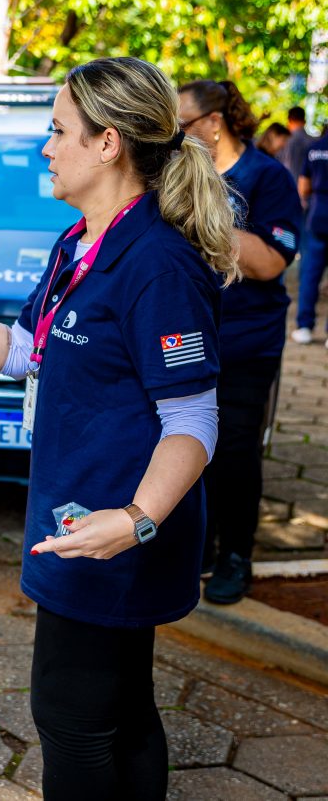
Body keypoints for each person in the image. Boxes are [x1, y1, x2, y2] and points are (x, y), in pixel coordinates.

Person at [0, 57, 236, 801]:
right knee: (120, 711)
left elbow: (193, 418)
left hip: (111, 534)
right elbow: (22, 350)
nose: (46, 148)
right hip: (82, 521)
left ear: (108, 143)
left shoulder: (157, 263)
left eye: (59, 132)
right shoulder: (80, 243)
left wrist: (135, 519)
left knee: (72, 719)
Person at [178, 79, 302, 604]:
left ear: (214, 122)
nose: (175, 135)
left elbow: (272, 262)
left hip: (246, 343)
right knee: (189, 447)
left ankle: (236, 554)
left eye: (183, 124)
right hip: (186, 339)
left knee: (234, 449)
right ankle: (201, 546)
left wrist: (205, 217)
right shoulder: (180, 172)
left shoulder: (266, 177)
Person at [294, 132, 328, 347]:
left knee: (310, 274)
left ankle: (304, 327)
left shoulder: (315, 148)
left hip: (318, 213)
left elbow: (303, 187)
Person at [278, 105, 316, 183]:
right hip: (309, 186)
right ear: (304, 121)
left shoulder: (282, 142)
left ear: (289, 121)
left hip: (287, 185)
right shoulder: (315, 142)